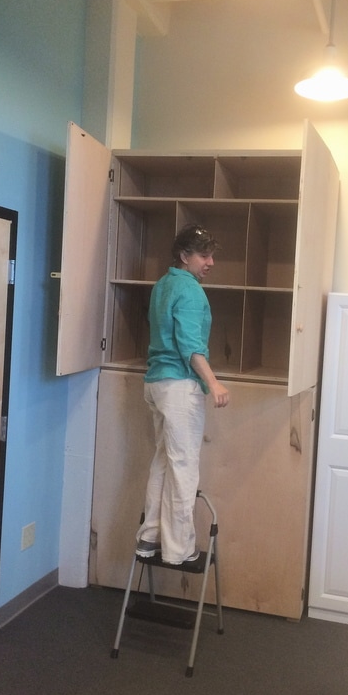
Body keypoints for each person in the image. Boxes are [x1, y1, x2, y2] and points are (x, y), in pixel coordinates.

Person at [135, 223, 229, 565]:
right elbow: (190, 345)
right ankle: (179, 549)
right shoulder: (190, 291)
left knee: (163, 462)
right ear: (184, 256)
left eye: (212, 256)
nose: (210, 262)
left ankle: (148, 537)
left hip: (156, 383)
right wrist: (213, 383)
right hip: (178, 387)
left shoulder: (164, 284)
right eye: (204, 256)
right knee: (183, 467)